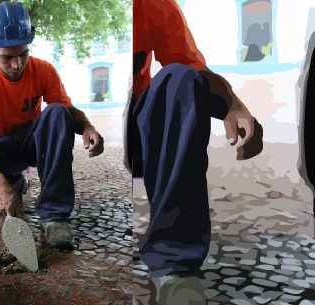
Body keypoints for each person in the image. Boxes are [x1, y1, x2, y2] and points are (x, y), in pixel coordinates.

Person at [129, 0, 262, 304]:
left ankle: (174, 267)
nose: (16, 65)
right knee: (57, 115)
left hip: (144, 127)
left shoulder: (155, 5)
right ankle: (52, 212)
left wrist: (232, 104)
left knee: (179, 78)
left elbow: (193, 71)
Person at [0, 2, 104, 249]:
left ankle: (55, 216)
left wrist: (88, 127)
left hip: (36, 141)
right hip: (3, 146)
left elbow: (67, 111)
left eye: (23, 55)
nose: (17, 65)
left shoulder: (44, 70)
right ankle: (15, 184)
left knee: (58, 112)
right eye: (8, 57)